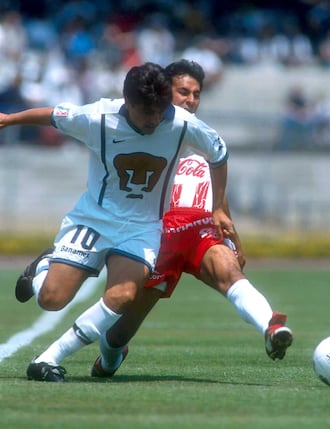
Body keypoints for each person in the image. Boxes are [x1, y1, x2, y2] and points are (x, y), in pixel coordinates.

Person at [21, 60, 292, 382]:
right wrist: (9, 120)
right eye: (183, 92)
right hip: (136, 228)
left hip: (180, 228)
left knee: (223, 273)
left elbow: (218, 182)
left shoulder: (191, 133)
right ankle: (108, 355)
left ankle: (270, 326)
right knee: (105, 318)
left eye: (196, 94)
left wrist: (230, 231)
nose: (190, 100)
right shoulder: (128, 123)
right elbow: (60, 116)